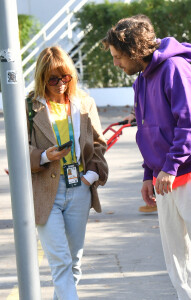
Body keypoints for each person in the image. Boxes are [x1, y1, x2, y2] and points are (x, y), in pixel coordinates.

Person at [102, 15, 191, 299]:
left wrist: (169, 167)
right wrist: (148, 174)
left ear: (135, 50)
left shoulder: (176, 68)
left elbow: (190, 125)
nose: (116, 63)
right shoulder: (141, 80)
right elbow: (148, 133)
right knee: (179, 264)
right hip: (165, 179)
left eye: (118, 57)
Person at [28, 46, 108, 299]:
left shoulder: (84, 103)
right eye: (53, 78)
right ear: (42, 78)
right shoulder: (30, 107)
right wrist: (43, 156)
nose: (60, 83)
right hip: (45, 189)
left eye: (65, 77)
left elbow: (98, 143)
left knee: (73, 262)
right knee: (60, 261)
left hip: (80, 187)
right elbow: (19, 147)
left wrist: (91, 176)